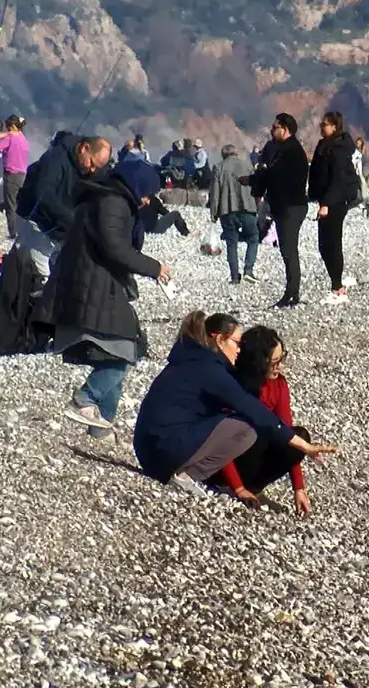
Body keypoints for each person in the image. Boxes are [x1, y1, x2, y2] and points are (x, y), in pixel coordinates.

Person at [133, 311, 337, 504]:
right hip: (162, 450)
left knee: (282, 432)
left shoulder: (195, 360)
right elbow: (251, 409)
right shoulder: (211, 370)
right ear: (219, 339)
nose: (239, 350)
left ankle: (196, 477)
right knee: (248, 427)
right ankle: (191, 477)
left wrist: (298, 486)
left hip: (151, 449)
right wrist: (305, 447)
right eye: (236, 343)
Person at [37, 159, 170, 441]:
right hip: (94, 286)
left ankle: (101, 428)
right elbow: (115, 248)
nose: (147, 200)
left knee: (116, 352)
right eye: (147, 193)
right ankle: (84, 399)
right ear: (136, 185)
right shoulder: (112, 202)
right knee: (123, 354)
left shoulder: (107, 198)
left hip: (95, 284)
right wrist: (154, 268)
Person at [231, 326, 314, 515]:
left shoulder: (278, 384)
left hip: (255, 455)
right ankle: (236, 487)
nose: (280, 367)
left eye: (281, 359)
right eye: (274, 362)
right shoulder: (234, 387)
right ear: (258, 363)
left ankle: (253, 487)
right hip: (229, 459)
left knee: (299, 436)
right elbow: (219, 441)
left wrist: (298, 489)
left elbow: (288, 432)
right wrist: (236, 488)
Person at [15, 134, 112, 289]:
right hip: (36, 223)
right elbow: (43, 194)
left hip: (61, 230)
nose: (92, 170)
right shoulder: (55, 158)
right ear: (84, 148)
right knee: (39, 276)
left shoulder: (89, 170)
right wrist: (71, 219)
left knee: (63, 274)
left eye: (97, 168)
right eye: (92, 163)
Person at [250, 114, 309, 308]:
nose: (271, 130)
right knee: (286, 249)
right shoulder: (279, 149)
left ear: (285, 129)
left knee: (289, 250)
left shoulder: (291, 151)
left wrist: (254, 181)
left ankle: (292, 293)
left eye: (275, 127)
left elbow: (275, 176)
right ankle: (291, 292)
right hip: (284, 205)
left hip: (291, 206)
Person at [308, 111, 361, 306]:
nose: (321, 127)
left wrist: (326, 204)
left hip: (335, 202)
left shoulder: (338, 147)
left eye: (325, 124)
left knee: (331, 243)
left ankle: (337, 287)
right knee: (324, 245)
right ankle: (336, 283)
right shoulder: (325, 144)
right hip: (326, 200)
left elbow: (337, 179)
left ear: (334, 126)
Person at [209, 144, 259, 285]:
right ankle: (248, 270)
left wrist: (214, 213)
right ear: (236, 154)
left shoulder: (218, 167)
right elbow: (255, 188)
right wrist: (257, 207)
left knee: (232, 243)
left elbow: (215, 193)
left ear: (223, 155)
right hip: (248, 208)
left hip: (227, 210)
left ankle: (235, 277)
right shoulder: (246, 166)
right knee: (253, 238)